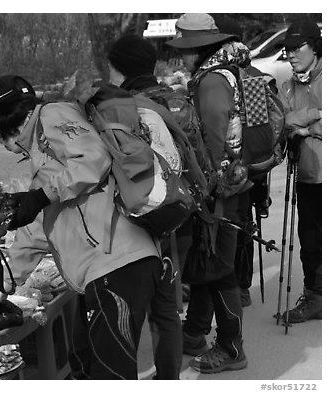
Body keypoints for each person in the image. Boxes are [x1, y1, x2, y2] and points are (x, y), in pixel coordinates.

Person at [0, 75, 181, 379]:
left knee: (111, 375)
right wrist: (4, 285)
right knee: (84, 366)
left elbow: (93, 157)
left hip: (118, 265)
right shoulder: (41, 150)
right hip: (101, 271)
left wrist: (39, 196)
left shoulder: (50, 116)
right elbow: (38, 226)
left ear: (0, 122)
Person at [166, 13, 250, 373]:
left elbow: (217, 137)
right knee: (208, 259)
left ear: (199, 48)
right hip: (234, 182)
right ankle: (196, 331)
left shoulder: (212, 80)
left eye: (185, 49)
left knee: (220, 268)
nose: (182, 57)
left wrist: (208, 186)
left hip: (222, 188)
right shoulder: (228, 68)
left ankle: (231, 348)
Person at [214, 14, 276, 308]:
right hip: (253, 164)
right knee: (243, 223)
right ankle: (241, 285)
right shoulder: (251, 72)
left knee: (232, 223)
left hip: (232, 166)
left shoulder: (220, 76)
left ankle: (232, 286)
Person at [278, 19, 322, 323]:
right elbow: (282, 123)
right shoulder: (287, 85)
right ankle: (315, 297)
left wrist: (305, 128)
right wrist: (317, 115)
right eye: (287, 49)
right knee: (309, 239)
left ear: (315, 46)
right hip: (306, 173)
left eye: (298, 47)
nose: (292, 54)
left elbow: (295, 123)